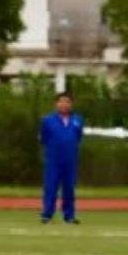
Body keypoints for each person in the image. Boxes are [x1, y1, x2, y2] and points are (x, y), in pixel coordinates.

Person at [38, 91, 84, 224]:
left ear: (71, 104)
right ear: (56, 104)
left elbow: (78, 137)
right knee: (51, 187)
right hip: (53, 159)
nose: (64, 104)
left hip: (70, 159)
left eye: (67, 102)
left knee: (69, 188)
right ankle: (47, 214)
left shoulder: (77, 120)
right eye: (61, 101)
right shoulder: (47, 120)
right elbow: (43, 138)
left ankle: (69, 216)